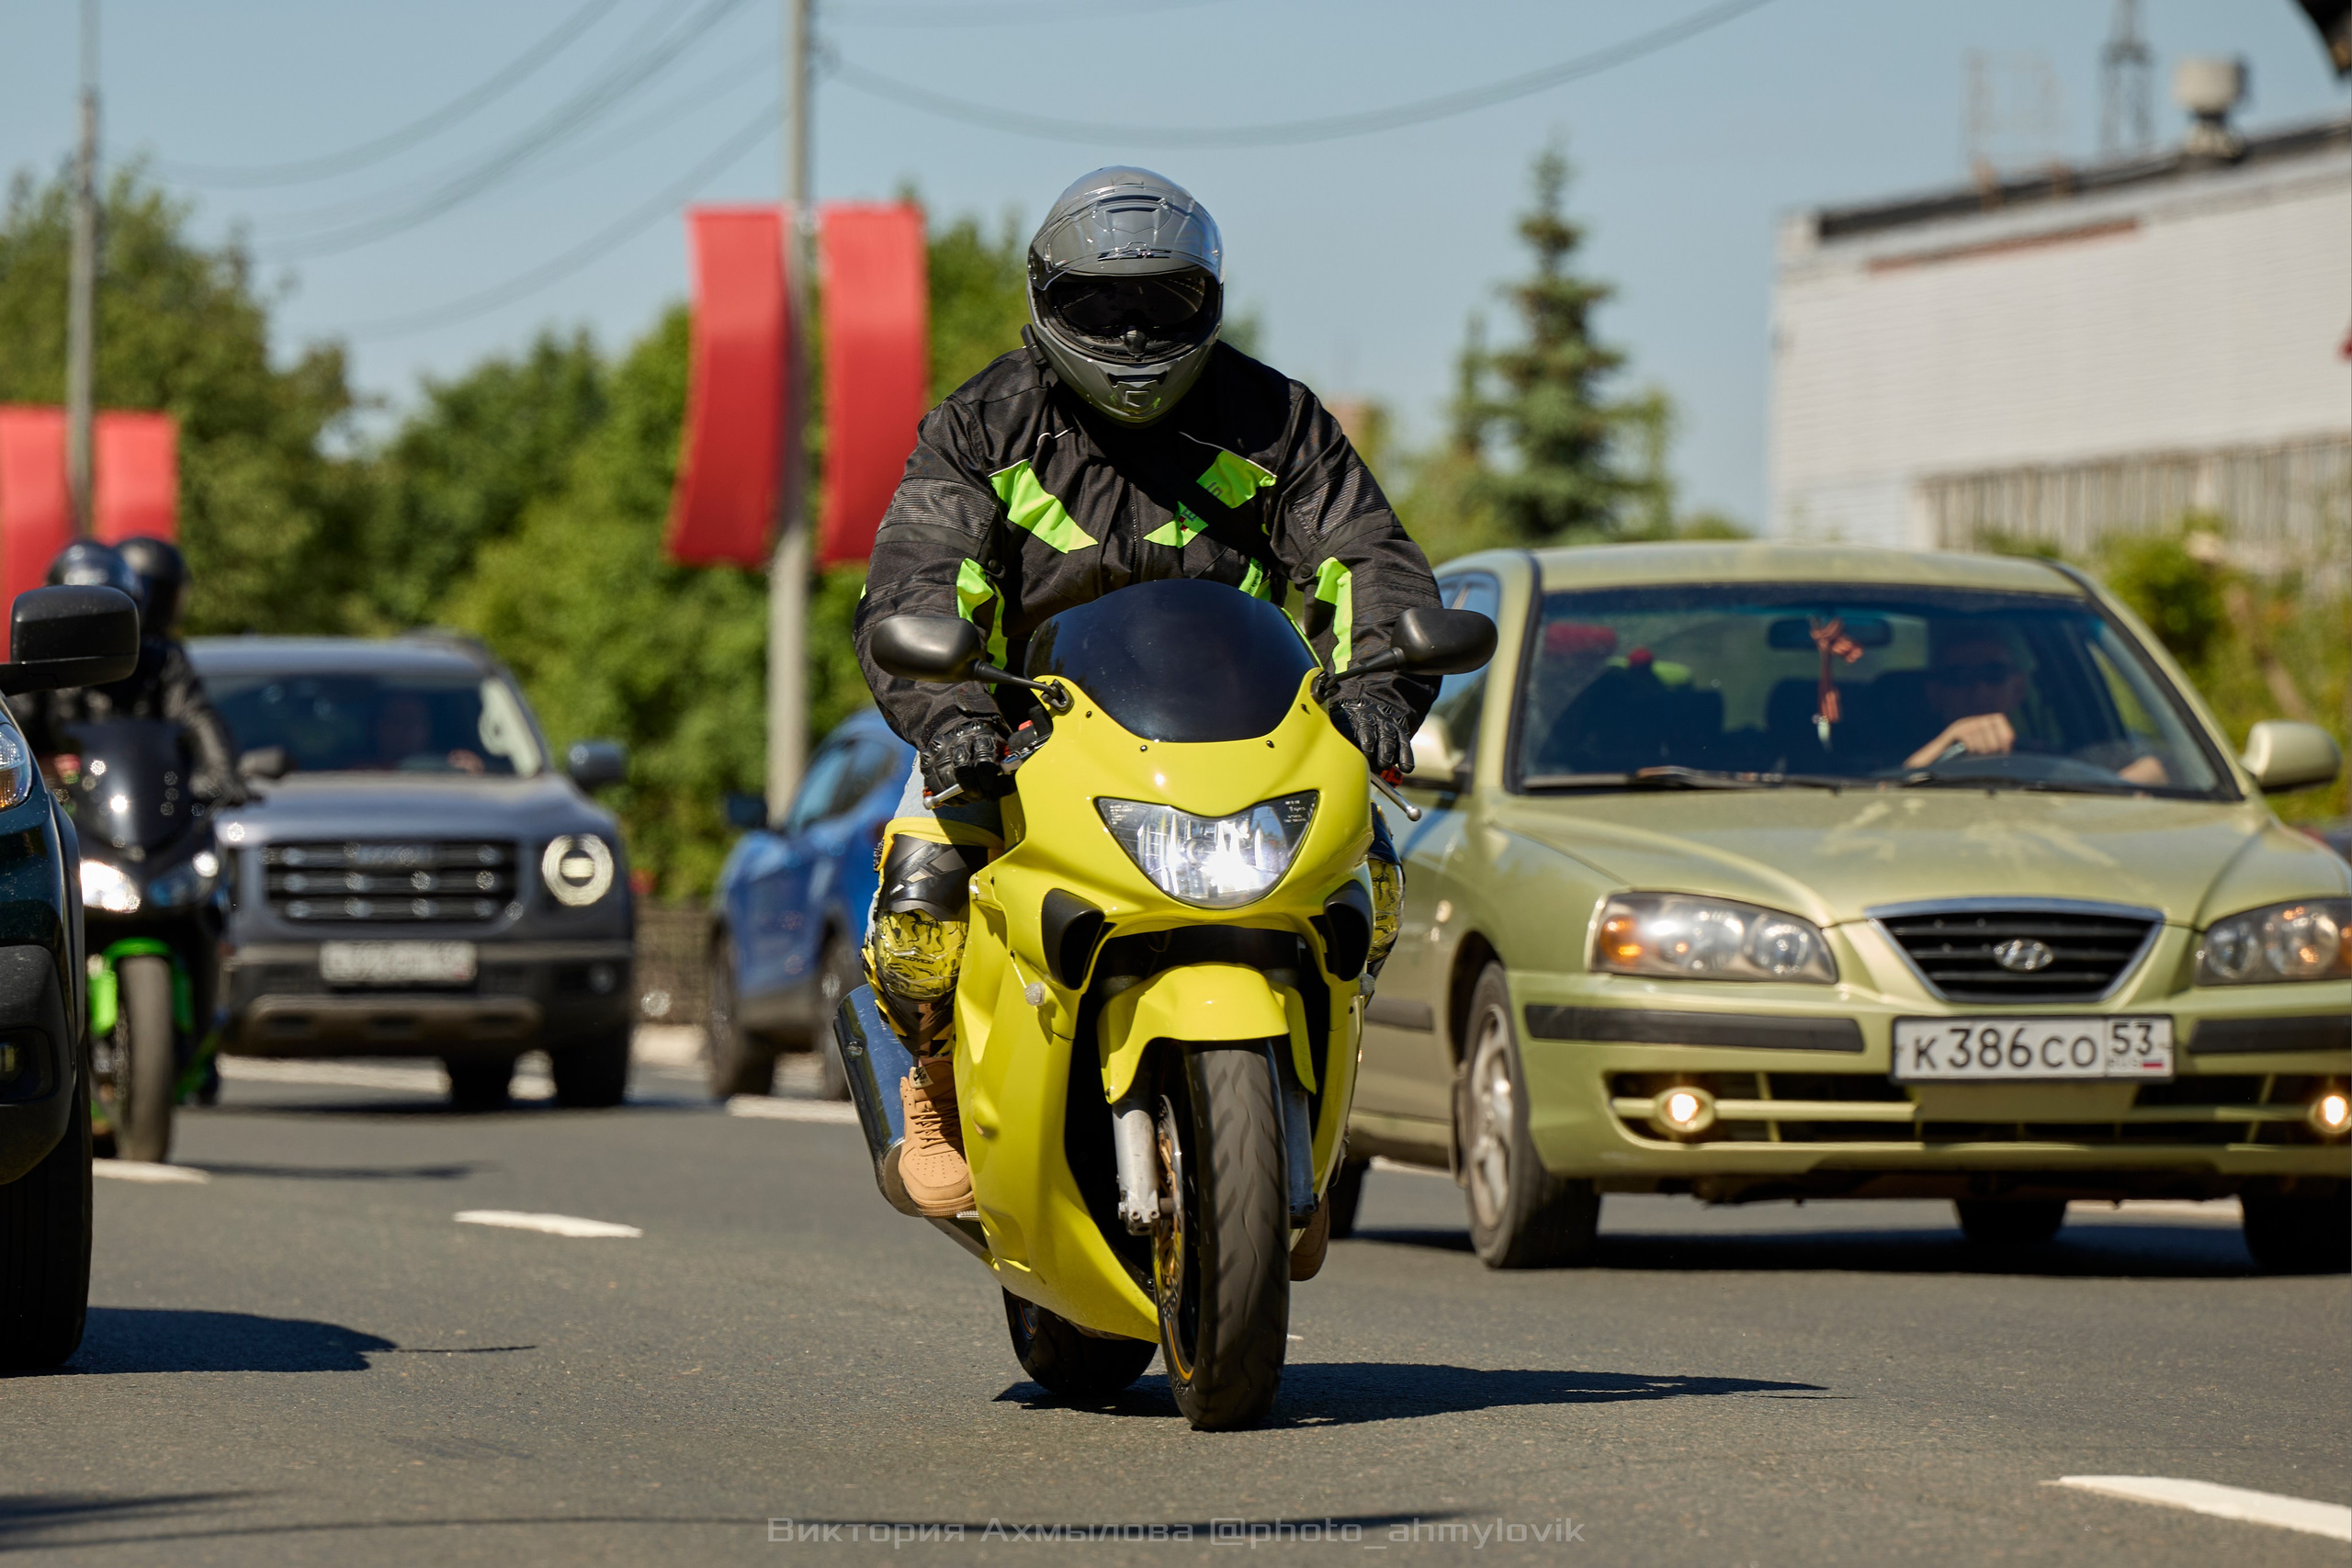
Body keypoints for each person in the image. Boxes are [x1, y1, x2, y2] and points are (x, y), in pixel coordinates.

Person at [853, 167, 1442, 1216]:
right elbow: (917, 578)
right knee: (919, 909)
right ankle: (936, 1083)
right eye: (1100, 303)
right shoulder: (981, 426)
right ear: (1045, 298)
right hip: (1023, 727)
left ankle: (1302, 1072)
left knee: (1373, 892)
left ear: (1206, 301)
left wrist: (1380, 694)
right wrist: (950, 724)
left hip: (1251, 734)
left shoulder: (1278, 422)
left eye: (1158, 302)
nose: (1130, 335)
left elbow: (1367, 560)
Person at [1903, 625, 2166, 785]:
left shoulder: (2058, 760)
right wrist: (1945, 745)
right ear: (1934, 694)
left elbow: (2169, 767)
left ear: (2018, 688)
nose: (1978, 689)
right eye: (1958, 677)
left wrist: (2131, 782)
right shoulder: (1880, 760)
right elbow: (1883, 800)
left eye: (1993, 673)